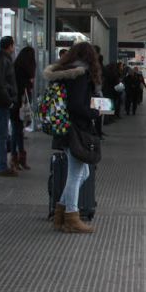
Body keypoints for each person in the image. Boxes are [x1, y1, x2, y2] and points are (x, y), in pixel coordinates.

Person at [43, 42, 101, 234]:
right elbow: (76, 105)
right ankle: (72, 217)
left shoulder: (64, 73)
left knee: (81, 173)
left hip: (65, 128)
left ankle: (60, 213)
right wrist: (94, 113)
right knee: (77, 174)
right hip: (75, 129)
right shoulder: (79, 74)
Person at [0, 36, 18, 176]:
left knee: (1, 133)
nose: (14, 48)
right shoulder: (2, 60)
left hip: (1, 102)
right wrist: (9, 101)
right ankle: (1, 166)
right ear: (10, 46)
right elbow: (0, 84)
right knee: (1, 134)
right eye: (13, 46)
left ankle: (0, 164)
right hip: (2, 103)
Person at [10, 46, 36, 171]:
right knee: (17, 131)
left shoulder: (16, 66)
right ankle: (19, 158)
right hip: (22, 102)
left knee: (16, 130)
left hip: (15, 103)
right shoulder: (28, 71)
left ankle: (16, 157)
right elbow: (29, 86)